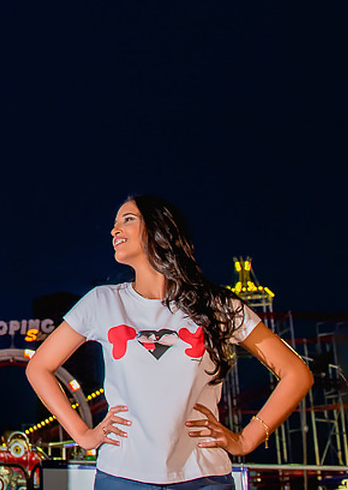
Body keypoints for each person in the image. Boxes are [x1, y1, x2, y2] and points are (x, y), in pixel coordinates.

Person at [25, 195, 313, 490]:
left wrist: (247, 438)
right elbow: (39, 368)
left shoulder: (217, 305)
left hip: (204, 476)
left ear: (160, 229)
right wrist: (83, 435)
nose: (114, 230)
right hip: (122, 476)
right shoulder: (103, 302)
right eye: (113, 224)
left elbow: (296, 373)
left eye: (128, 219)